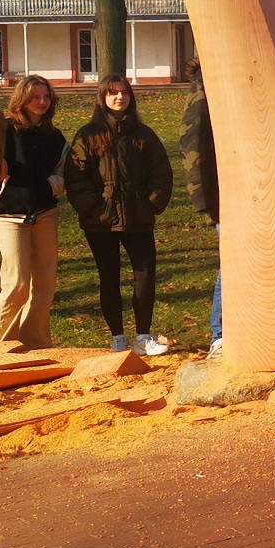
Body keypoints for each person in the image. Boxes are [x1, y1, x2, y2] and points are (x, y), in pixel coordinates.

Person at [63, 75, 173, 356]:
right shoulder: (87, 135)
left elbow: (161, 172)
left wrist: (151, 204)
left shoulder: (144, 134)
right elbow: (76, 178)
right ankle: (117, 337)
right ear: (103, 97)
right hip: (100, 223)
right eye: (113, 93)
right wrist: (96, 208)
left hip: (138, 219)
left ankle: (143, 337)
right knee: (108, 278)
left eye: (124, 92)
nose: (119, 97)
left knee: (145, 275)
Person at [0, 73, 67, 348]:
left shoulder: (55, 137)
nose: (42, 102)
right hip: (10, 216)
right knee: (17, 283)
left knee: (44, 285)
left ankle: (35, 344)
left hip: (45, 215)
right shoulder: (4, 130)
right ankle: (0, 347)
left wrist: (48, 188)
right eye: (36, 97)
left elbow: (62, 174)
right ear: (22, 99)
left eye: (46, 97)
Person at [179, 63, 223, 352]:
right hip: (223, 193)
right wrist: (203, 199)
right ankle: (219, 334)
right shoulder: (206, 84)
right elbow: (191, 141)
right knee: (230, 264)